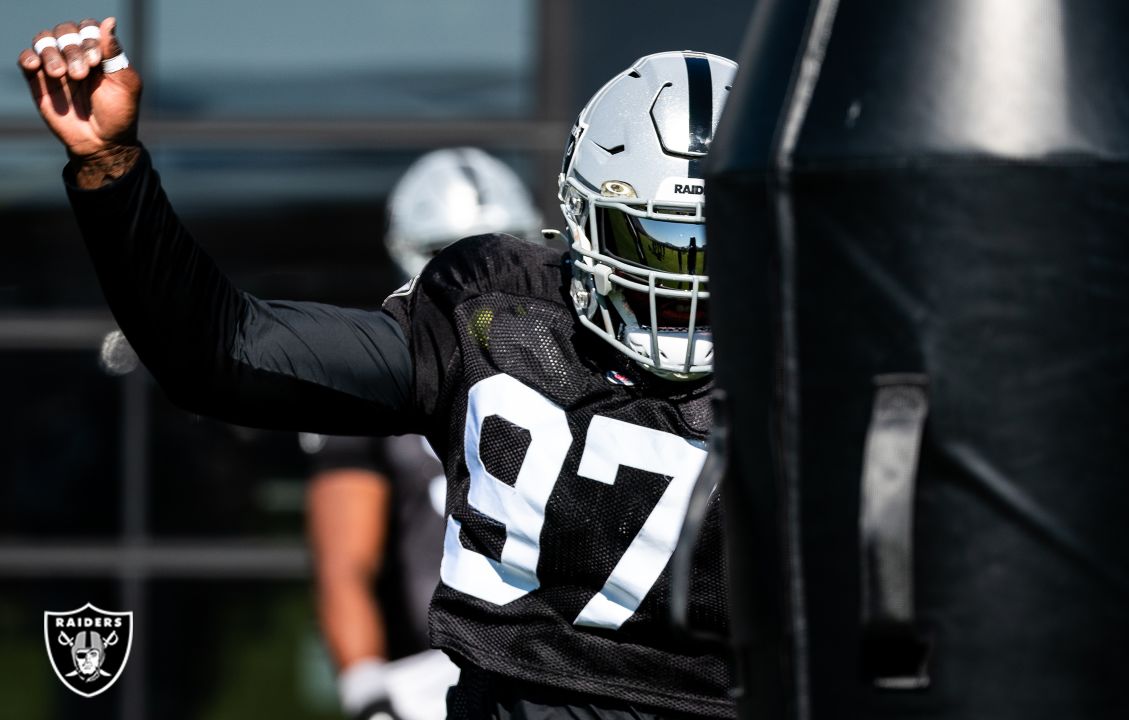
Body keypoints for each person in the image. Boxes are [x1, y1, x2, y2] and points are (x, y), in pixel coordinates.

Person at [19, 17, 737, 719]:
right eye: (661, 241)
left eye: (716, 246)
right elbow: (221, 353)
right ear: (582, 217)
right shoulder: (494, 321)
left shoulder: (814, 371)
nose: (685, 282)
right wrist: (109, 170)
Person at [305, 149, 541, 720]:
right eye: (451, 258)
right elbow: (344, 563)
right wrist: (368, 691)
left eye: (503, 251)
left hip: (549, 665)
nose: (481, 280)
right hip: (431, 677)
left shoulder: (560, 364)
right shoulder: (378, 379)